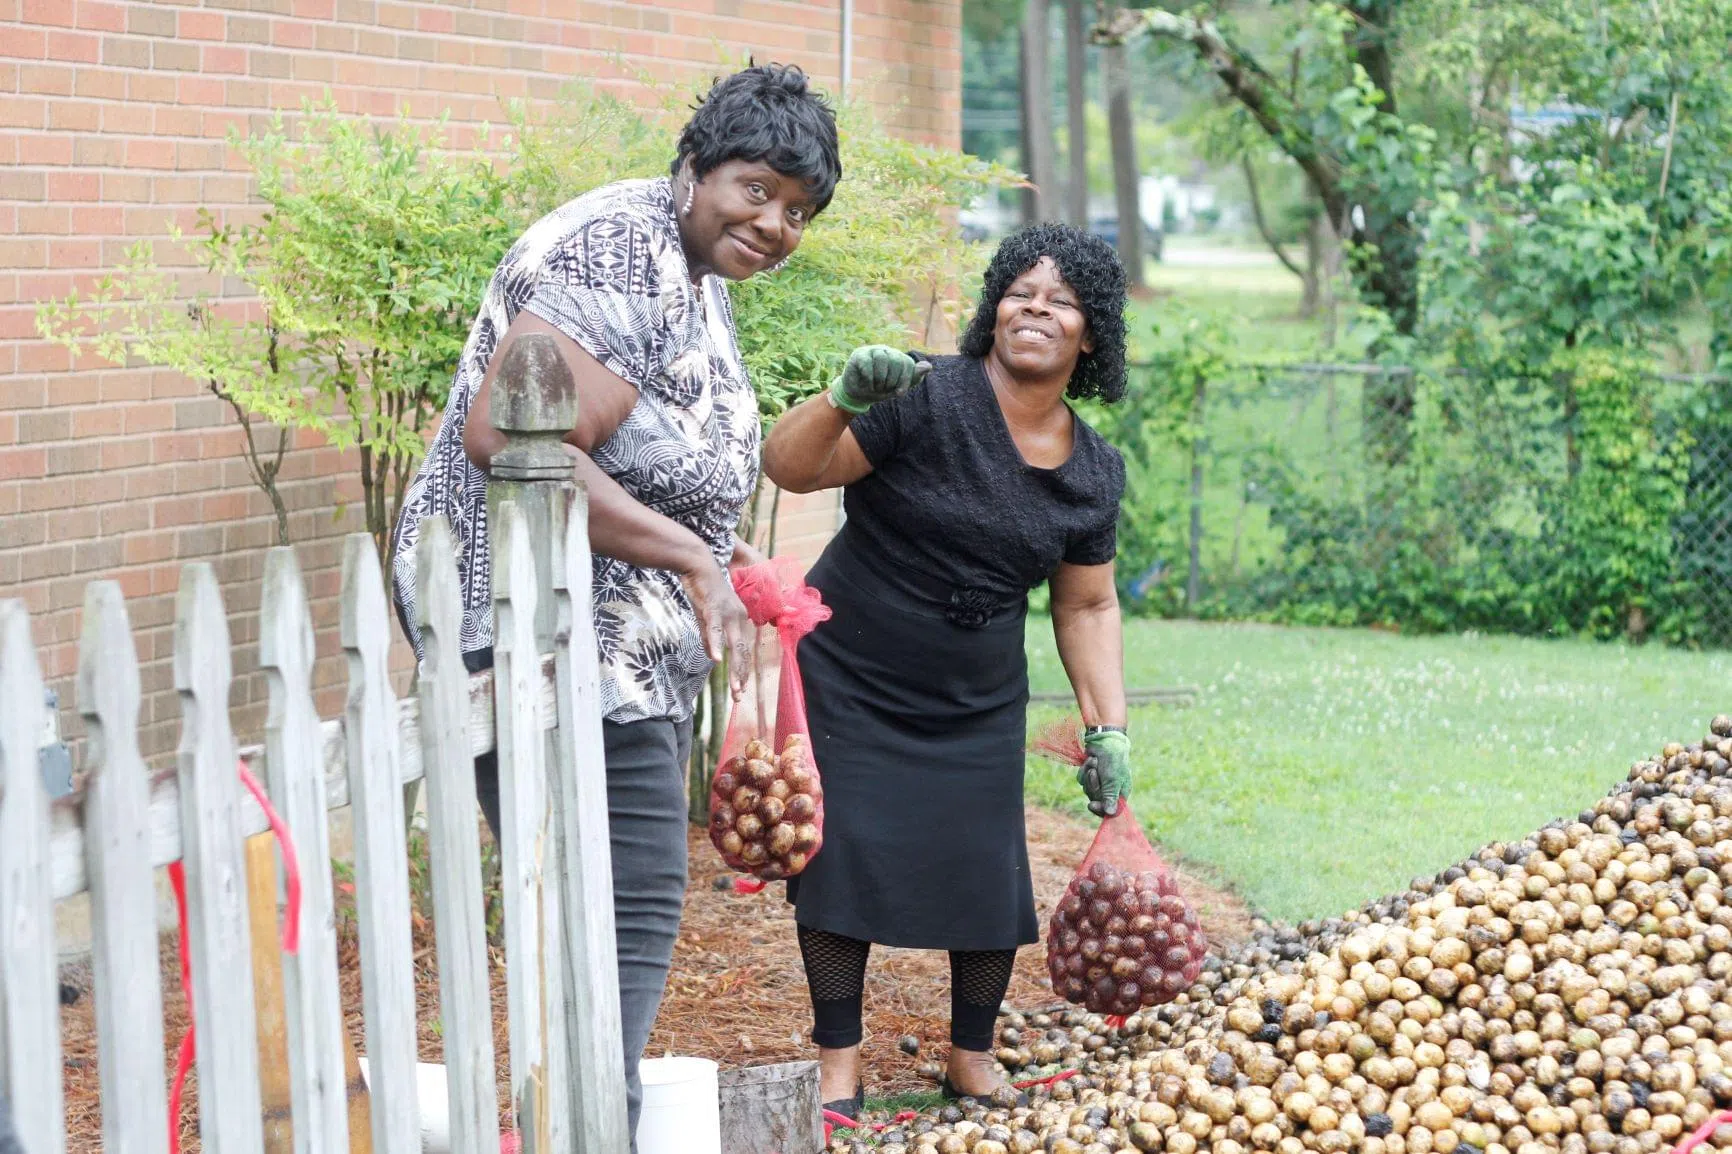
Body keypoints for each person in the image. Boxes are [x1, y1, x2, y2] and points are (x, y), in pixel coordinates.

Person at [389, 63, 841, 1146]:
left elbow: (651, 449)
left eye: (796, 210)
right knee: (602, 900)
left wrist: (717, 547)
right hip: (533, 619)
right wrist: (687, 554)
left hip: (619, 636)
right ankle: (589, 1126)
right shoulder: (615, 250)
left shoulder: (691, 266)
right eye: (755, 189)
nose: (773, 224)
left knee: (620, 900)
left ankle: (596, 1121)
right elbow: (514, 440)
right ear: (693, 169)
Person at [762, 223, 1135, 1116]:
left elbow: (1086, 606)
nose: (1035, 309)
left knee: (987, 871)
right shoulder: (922, 393)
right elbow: (791, 469)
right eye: (1020, 292)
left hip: (975, 697)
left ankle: (971, 1057)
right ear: (993, 308)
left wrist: (1108, 727)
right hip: (852, 672)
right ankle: (839, 1064)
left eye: (1062, 301)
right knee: (842, 862)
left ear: (1091, 335)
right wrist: (842, 400)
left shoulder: (1093, 472)